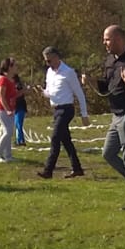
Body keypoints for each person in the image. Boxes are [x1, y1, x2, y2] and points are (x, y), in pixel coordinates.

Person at [90, 25, 125, 210]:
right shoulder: (110, 61)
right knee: (108, 153)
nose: (104, 43)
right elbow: (106, 87)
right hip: (116, 115)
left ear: (119, 39)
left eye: (107, 39)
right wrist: (91, 81)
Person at [37, 46, 89, 180]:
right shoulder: (49, 72)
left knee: (55, 138)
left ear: (56, 57)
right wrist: (42, 92)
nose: (48, 64)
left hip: (66, 109)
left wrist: (84, 114)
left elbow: (79, 93)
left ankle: (48, 170)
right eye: (46, 61)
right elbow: (50, 93)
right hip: (56, 109)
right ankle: (77, 168)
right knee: (66, 141)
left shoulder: (68, 72)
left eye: (49, 60)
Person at [0, 57, 18, 163]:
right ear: (9, 67)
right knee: (8, 132)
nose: (17, 67)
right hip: (1, 109)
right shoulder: (3, 79)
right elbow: (1, 97)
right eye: (15, 65)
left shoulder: (12, 80)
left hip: (10, 109)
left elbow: (12, 96)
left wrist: (24, 91)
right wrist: (7, 109)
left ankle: (8, 156)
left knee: (8, 132)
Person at [11, 70, 29, 146]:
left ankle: (21, 141)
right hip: (17, 107)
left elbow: (19, 94)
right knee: (17, 124)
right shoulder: (16, 85)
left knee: (19, 124)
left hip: (20, 107)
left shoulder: (18, 85)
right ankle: (19, 140)